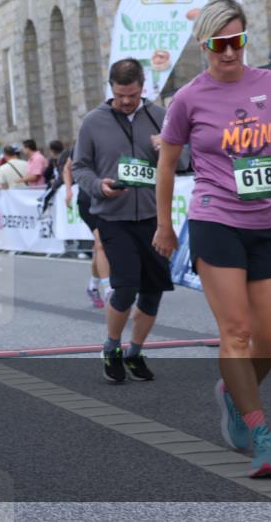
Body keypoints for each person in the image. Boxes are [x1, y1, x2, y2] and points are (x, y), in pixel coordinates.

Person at [153, 0, 271, 478]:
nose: (230, 52)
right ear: (204, 45)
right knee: (237, 332)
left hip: (265, 222)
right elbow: (166, 164)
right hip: (214, 219)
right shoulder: (188, 99)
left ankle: (232, 390)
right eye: (220, 44)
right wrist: (165, 225)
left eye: (237, 41)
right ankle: (262, 433)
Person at [73, 58, 178, 383]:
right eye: (120, 95)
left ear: (143, 87)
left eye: (132, 95)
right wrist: (98, 186)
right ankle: (112, 346)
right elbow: (80, 167)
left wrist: (169, 148)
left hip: (153, 217)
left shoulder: (160, 116)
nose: (127, 101)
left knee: (153, 290)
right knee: (126, 286)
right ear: (111, 89)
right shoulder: (93, 122)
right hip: (113, 217)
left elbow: (186, 160)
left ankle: (135, 351)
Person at [65, 152, 109, 308]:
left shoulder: (118, 140)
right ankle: (109, 290)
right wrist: (68, 190)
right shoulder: (83, 142)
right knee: (101, 244)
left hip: (110, 201)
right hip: (87, 202)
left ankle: (93, 286)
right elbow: (67, 168)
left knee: (99, 247)